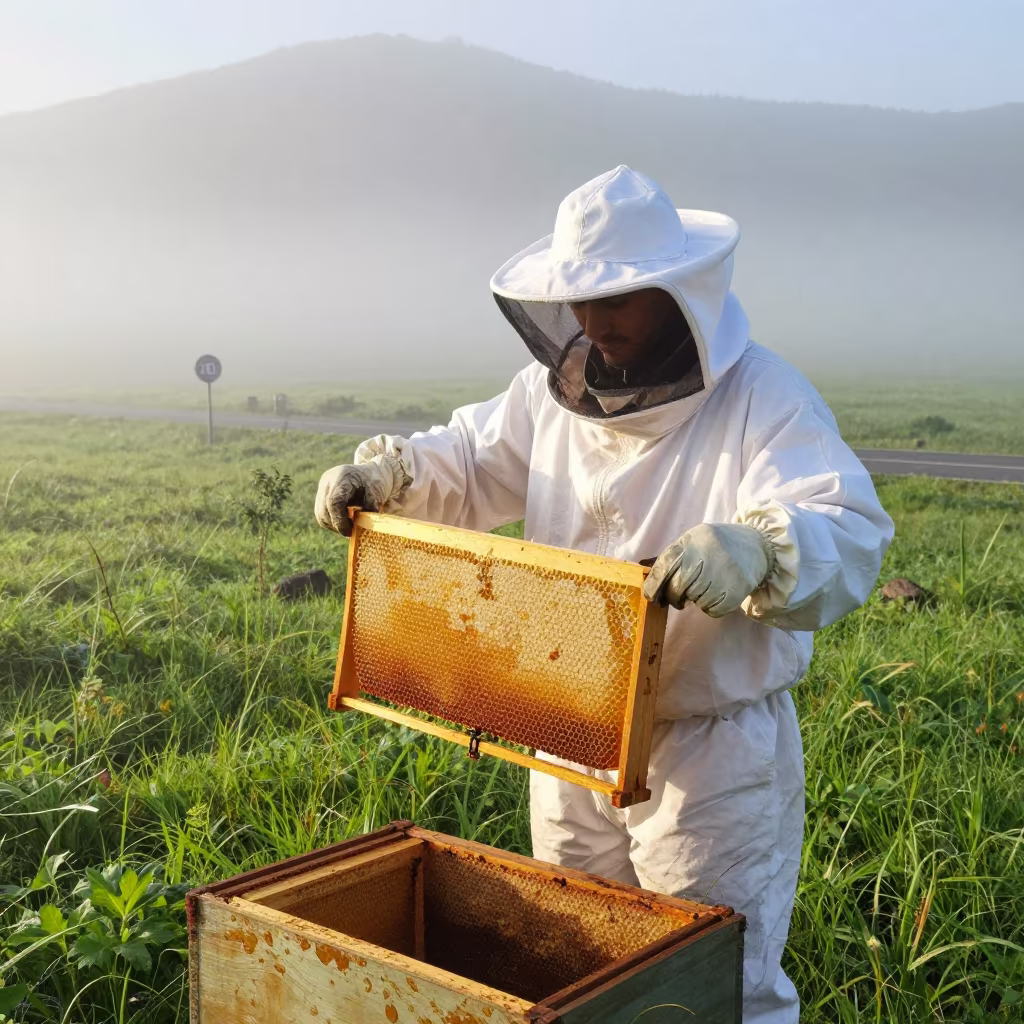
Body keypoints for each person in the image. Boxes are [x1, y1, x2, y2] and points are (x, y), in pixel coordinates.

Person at [314, 165, 894, 1023]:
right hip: (568, 734)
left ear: (676, 293)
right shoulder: (552, 396)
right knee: (578, 969)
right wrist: (388, 476)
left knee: (713, 987)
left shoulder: (761, 396)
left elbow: (849, 524)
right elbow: (471, 461)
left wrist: (762, 549)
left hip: (707, 756)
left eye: (617, 300)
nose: (593, 323)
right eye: (580, 301)